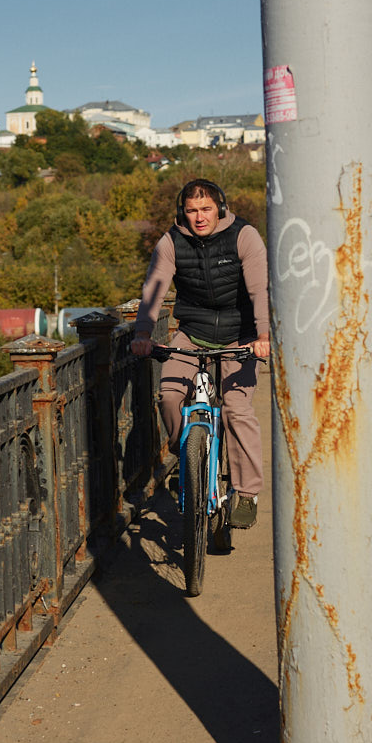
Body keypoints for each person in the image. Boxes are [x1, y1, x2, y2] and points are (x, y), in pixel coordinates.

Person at [131, 179, 270, 529]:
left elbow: (259, 289)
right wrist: (143, 333)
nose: (199, 217)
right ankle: (190, 460)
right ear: (183, 213)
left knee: (236, 410)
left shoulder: (244, 236)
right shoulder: (171, 242)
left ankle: (247, 493)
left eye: (206, 209)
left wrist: (264, 335)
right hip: (192, 333)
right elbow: (154, 288)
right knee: (169, 395)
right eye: (191, 210)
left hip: (240, 337)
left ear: (219, 209)